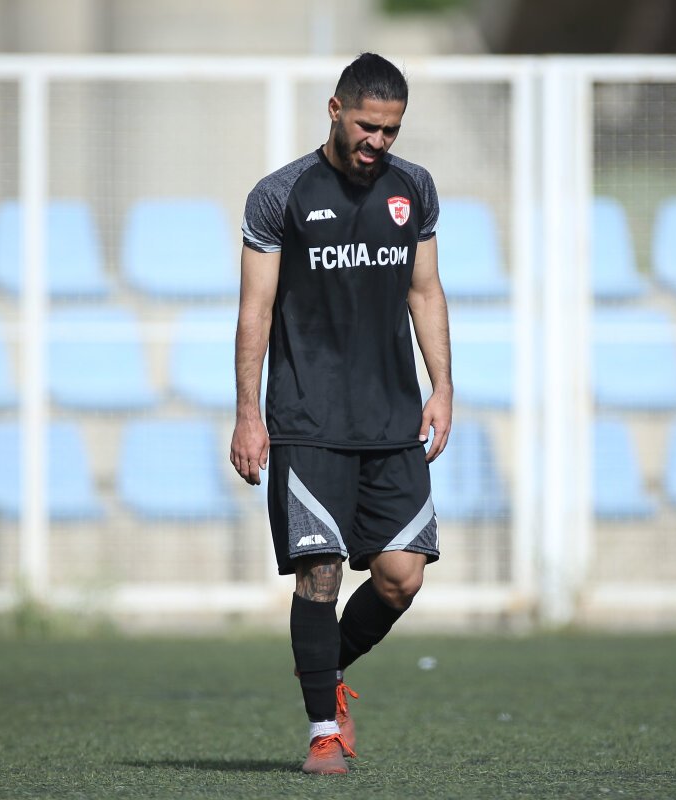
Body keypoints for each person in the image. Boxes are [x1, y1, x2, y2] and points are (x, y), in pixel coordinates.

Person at [230, 52, 452, 776]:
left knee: (401, 578)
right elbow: (256, 309)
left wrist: (443, 387)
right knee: (320, 573)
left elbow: (425, 291)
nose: (377, 142)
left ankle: (322, 669)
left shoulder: (414, 188)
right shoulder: (279, 196)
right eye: (366, 126)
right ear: (335, 110)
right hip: (307, 418)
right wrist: (248, 413)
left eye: (390, 131)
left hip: (391, 418)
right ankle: (323, 731)